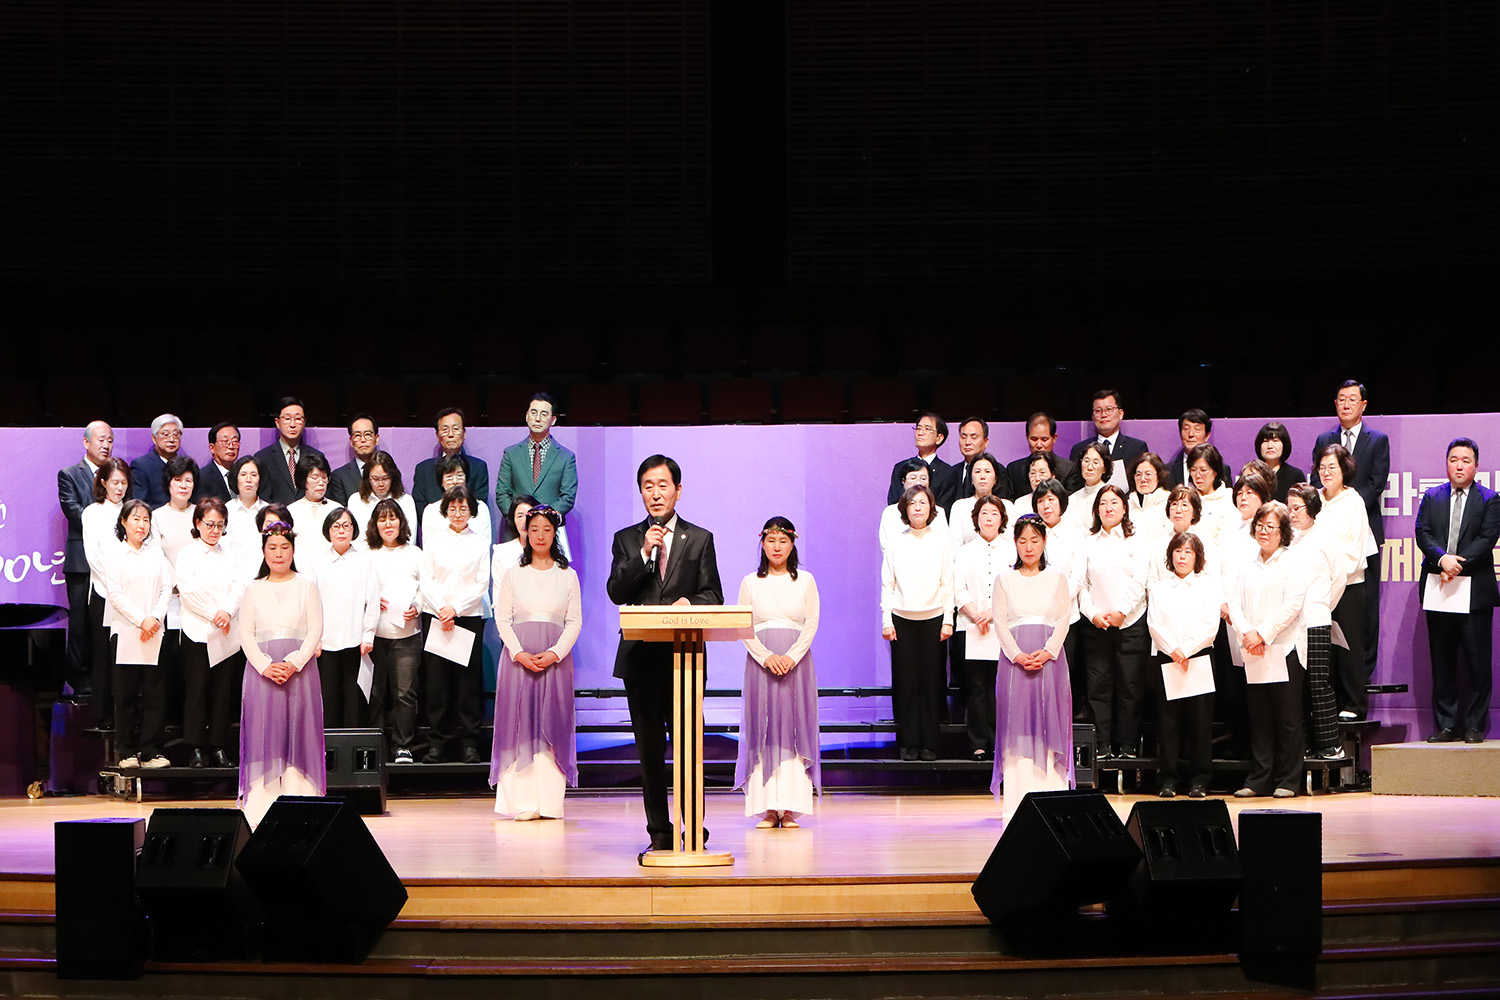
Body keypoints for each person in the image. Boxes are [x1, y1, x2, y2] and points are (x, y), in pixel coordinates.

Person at [606, 455, 724, 857]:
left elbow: (714, 595)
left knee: (689, 749)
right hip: (640, 660)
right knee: (650, 752)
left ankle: (694, 826)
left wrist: (690, 602)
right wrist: (643, 554)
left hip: (684, 659)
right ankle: (659, 831)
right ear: (641, 492)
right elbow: (616, 591)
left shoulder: (700, 538)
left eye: (662, 485)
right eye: (648, 486)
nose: (655, 493)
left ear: (678, 490)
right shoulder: (627, 539)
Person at [490, 505, 582, 820]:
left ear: (555, 533)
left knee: (552, 723)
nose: (540, 535)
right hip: (518, 662)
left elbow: (574, 621)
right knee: (519, 724)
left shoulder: (567, 575)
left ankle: (549, 803)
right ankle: (521, 802)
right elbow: (503, 619)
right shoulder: (513, 574)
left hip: (555, 662)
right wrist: (518, 653)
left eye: (546, 529)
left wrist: (555, 653)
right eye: (534, 529)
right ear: (525, 533)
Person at [237, 520, 325, 827]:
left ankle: (302, 802)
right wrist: (265, 666)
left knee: (299, 730)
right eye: (272, 547)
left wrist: (294, 662)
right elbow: (245, 634)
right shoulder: (253, 589)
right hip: (262, 673)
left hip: (299, 672)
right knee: (264, 731)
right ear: (263, 551)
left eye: (284, 547)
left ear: (293, 550)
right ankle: (262, 806)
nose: (278, 553)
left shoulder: (306, 586)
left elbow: (315, 629)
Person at [735, 517, 821, 829]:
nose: (777, 547)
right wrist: (767, 657)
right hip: (762, 665)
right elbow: (743, 625)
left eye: (783, 541)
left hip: (796, 666)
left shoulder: (806, 581)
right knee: (764, 727)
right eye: (771, 541)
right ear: (762, 543)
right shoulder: (750, 582)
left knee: (795, 728)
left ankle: (791, 808)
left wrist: (791, 657)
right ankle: (768, 808)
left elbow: (811, 623)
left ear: (792, 544)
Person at [1414, 438, 1500, 744]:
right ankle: (1447, 725)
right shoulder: (1432, 496)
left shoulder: (1489, 499)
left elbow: (1487, 538)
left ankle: (1475, 724)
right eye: (1454, 459)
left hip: (1474, 590)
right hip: (1440, 588)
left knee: (1478, 661)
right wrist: (1442, 559)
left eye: (1466, 460)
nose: (1459, 465)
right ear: (1446, 463)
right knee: (1442, 660)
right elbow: (1422, 532)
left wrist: (1455, 565)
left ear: (1476, 466)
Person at [991, 514, 1074, 821]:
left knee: (1049, 719)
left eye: (1035, 540)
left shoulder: (1057, 577)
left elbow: (1063, 618)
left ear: (1044, 541)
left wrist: (1049, 651)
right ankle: (1017, 803)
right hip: (1015, 663)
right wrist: (1016, 654)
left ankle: (1052, 800)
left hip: (1050, 661)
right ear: (1015, 543)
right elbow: (1000, 622)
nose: (1029, 547)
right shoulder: (1004, 578)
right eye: (1023, 541)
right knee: (1017, 724)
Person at [1226, 502, 1307, 798]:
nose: (1264, 531)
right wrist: (1247, 633)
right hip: (1253, 649)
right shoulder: (1246, 563)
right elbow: (1234, 602)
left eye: (1271, 527)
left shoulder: (1293, 562)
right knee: (1259, 717)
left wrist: (1262, 633)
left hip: (1284, 648)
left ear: (1282, 532)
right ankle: (1259, 779)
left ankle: (1288, 780)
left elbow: (1292, 605)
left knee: (1287, 718)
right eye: (1260, 525)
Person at [1313, 381, 1390, 685]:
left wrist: (1349, 505)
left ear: (1363, 405)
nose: (1346, 404)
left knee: (1364, 608)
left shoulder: (1378, 439)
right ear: (1335, 403)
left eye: (1352, 399)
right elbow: (1316, 480)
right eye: (1341, 399)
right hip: (1326, 539)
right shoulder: (1324, 439)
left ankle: (1363, 673)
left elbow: (1375, 483)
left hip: (1363, 534)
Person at [880, 482, 953, 762]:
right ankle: (908, 743)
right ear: (905, 509)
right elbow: (888, 584)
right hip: (902, 620)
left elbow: (947, 583)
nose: (918, 508)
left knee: (932, 684)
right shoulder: (896, 541)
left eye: (923, 502)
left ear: (931, 507)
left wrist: (948, 619)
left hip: (934, 619)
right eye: (912, 503)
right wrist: (887, 620)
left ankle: (930, 744)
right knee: (906, 684)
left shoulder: (941, 540)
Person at [1077, 485, 1150, 759]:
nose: (1108, 508)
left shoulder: (1137, 540)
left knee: (1130, 686)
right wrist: (1093, 614)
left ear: (1124, 507)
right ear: (1096, 510)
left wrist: (1122, 611)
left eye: (1114, 502)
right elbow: (1082, 585)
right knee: (1098, 688)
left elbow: (1139, 581)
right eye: (1103, 503)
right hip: (1096, 626)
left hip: (1131, 624)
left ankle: (1128, 746)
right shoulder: (1087, 542)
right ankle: (1103, 745)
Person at [419, 485, 491, 764]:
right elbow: (427, 579)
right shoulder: (434, 541)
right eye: (452, 508)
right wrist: (442, 609)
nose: (458, 513)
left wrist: (456, 609)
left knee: (467, 683)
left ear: (471, 511)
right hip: (436, 616)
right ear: (445, 510)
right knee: (437, 683)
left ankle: (469, 743)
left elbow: (481, 583)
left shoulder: (479, 543)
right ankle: (437, 743)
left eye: (463, 508)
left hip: (468, 617)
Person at [1146, 532, 1220, 798]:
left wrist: (1187, 649)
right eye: (1178, 551)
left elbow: (1211, 625)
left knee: (1201, 723)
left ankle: (1200, 779)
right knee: (1168, 723)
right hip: (1168, 658)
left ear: (1197, 557)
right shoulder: (1159, 589)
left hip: (1198, 658)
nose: (1182, 557)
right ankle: (1168, 779)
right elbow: (1154, 624)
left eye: (1188, 552)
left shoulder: (1207, 586)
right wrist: (1174, 650)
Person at [175, 498, 245, 769]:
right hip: (197, 631)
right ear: (198, 523)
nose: (215, 530)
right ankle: (194, 748)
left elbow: (239, 586)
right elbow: (188, 591)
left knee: (222, 691)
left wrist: (227, 611)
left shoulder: (231, 553)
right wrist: (214, 614)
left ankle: (218, 747)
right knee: (197, 691)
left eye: (220, 525)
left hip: (226, 631)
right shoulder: (187, 554)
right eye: (210, 524)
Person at [105, 499, 174, 768]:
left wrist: (154, 618)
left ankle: (151, 750)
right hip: (126, 631)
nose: (141, 525)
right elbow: (115, 594)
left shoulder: (156, 554)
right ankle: (126, 751)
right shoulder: (115, 554)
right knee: (126, 694)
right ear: (124, 522)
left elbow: (166, 588)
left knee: (155, 693)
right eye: (135, 519)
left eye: (146, 520)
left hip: (155, 631)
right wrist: (141, 620)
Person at [1317, 443, 1377, 721]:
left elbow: (1355, 549)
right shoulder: (1313, 499)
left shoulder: (1353, 501)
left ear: (1344, 470)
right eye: (1322, 467)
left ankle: (1354, 704)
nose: (1326, 472)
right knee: (1323, 648)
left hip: (1348, 584)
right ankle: (1328, 704)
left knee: (1348, 646)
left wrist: (1335, 575)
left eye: (1332, 467)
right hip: (1318, 587)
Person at [1286, 483, 1346, 759]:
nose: (1292, 513)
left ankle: (1330, 744)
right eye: (1289, 508)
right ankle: (1305, 744)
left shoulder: (1326, 537)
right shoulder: (1287, 539)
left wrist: (1322, 607)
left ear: (1311, 507)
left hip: (1317, 620)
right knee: (1296, 686)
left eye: (1297, 508)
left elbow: (1339, 579)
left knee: (1319, 683)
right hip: (1291, 623)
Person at [954, 495, 1013, 762]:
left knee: (1000, 687)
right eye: (984, 514)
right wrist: (976, 614)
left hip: (1002, 627)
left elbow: (1013, 586)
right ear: (976, 519)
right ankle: (978, 743)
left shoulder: (1011, 550)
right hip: (971, 627)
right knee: (976, 687)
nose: (988, 518)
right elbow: (958, 588)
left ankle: (1001, 742)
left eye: (994, 513)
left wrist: (993, 613)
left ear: (1002, 519)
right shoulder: (965, 552)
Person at [365, 498, 424, 764]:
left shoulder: (415, 554)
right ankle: (373, 745)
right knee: (375, 693)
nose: (388, 524)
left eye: (392, 518)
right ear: (375, 525)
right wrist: (371, 600)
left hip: (406, 636)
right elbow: (358, 589)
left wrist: (417, 606)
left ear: (401, 522)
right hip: (374, 636)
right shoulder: (367, 554)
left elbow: (425, 588)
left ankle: (403, 746)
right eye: (382, 519)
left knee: (404, 693)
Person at [309, 508, 379, 730]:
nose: (341, 531)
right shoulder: (318, 561)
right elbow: (311, 603)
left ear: (353, 530)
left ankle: (354, 747)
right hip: (325, 642)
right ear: (328, 531)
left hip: (356, 641)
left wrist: (368, 635)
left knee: (354, 699)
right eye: (336, 526)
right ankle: (327, 748)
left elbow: (372, 600)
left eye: (346, 526)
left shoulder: (364, 561)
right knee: (327, 697)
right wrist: (314, 639)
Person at [58, 420, 113, 701]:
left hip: (112, 561)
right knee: (80, 623)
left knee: (106, 622)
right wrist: (108, 524)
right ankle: (79, 678)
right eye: (101, 439)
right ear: (86, 442)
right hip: (81, 562)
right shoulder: (69, 474)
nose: (106, 445)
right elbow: (74, 511)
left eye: (110, 440)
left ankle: (105, 679)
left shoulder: (116, 475)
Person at [82, 459, 131, 729]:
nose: (119, 488)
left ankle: (126, 712)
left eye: (123, 482)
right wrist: (114, 585)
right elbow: (94, 556)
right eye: (114, 482)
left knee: (126, 655)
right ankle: (102, 714)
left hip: (130, 594)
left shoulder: (133, 511)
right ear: (103, 483)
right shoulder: (92, 513)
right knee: (103, 654)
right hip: (103, 592)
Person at [495, 393, 579, 540]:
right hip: (515, 532)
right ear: (527, 416)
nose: (538, 418)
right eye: (533, 413)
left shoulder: (566, 457)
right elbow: (502, 493)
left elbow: (567, 497)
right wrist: (519, 519)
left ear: (553, 420)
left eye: (544, 414)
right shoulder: (511, 454)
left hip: (549, 531)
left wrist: (542, 521)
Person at [412, 407, 491, 533]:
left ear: (464, 433)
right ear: (437, 436)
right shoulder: (423, 470)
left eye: (455, 429)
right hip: (435, 535)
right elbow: (420, 507)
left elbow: (479, 508)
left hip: (469, 534)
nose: (450, 434)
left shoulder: (478, 467)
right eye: (445, 429)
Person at [252, 397, 328, 506]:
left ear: (304, 422)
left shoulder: (316, 456)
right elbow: (262, 496)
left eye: (298, 419)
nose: (292, 424)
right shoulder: (262, 457)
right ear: (277, 422)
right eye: (287, 418)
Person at [1069, 390, 1147, 490]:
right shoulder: (1079, 449)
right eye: (1098, 411)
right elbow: (1074, 486)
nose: (1104, 415)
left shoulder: (1136, 448)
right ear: (1093, 417)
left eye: (1109, 409)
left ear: (1120, 414)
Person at [347, 450, 419, 543]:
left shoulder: (405, 501)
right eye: (375, 479)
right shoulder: (356, 501)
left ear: (393, 477)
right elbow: (354, 538)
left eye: (385, 478)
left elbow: (410, 537)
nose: (380, 484)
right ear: (367, 478)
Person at [420, 454, 494, 544]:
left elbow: (485, 543)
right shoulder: (431, 510)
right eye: (449, 476)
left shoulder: (480, 508)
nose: (455, 481)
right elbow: (428, 545)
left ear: (466, 479)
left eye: (459, 475)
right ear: (442, 481)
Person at [886, 412, 954, 507]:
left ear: (939, 438)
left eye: (927, 429)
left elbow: (944, 506)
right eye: (918, 428)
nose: (920, 433)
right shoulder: (900, 467)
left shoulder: (948, 472)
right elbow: (893, 502)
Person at [879, 460, 949, 551]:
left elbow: (944, 545)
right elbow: (887, 548)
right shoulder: (890, 512)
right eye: (913, 478)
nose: (918, 483)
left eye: (923, 478)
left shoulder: (939, 512)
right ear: (903, 481)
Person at [1006, 413, 1081, 497]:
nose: (1039, 445)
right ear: (1027, 437)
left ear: (1054, 438)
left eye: (1044, 439)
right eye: (1034, 439)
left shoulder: (1069, 469)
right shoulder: (1014, 470)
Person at [949, 453, 1009, 550]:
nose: (982, 476)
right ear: (971, 479)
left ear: (996, 478)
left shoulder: (1007, 506)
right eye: (977, 471)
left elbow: (1011, 541)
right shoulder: (959, 506)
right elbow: (955, 545)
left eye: (987, 471)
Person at [288, 453, 338, 561]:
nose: (321, 483)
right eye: (315, 478)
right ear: (303, 480)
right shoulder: (291, 511)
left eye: (324, 477)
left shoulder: (337, 509)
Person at [129, 414, 184, 507]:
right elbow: (139, 504)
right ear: (154, 438)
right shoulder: (141, 465)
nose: (171, 439)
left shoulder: (186, 465)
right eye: (165, 435)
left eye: (175, 434)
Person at [1187, 444, 1235, 549]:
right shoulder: (1186, 497)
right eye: (1193, 470)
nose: (1198, 475)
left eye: (1203, 470)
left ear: (1215, 471)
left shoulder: (1228, 499)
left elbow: (1225, 540)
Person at [225, 456, 268, 573]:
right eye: (243, 474)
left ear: (260, 479)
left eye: (253, 475)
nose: (248, 479)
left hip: (263, 574)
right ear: (236, 478)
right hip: (233, 574)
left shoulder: (268, 511)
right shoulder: (226, 510)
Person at [329, 413, 383, 506]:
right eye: (357, 435)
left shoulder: (389, 471)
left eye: (367, 434)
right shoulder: (340, 476)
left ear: (376, 439)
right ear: (351, 441)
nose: (363, 440)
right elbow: (340, 510)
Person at [1166, 410, 1222, 490]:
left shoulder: (1222, 469)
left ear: (1207, 435)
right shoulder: (1168, 470)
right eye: (1186, 429)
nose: (1191, 434)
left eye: (1197, 429)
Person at [947, 418, 997, 508]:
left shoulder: (997, 470)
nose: (967, 442)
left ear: (986, 442)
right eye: (963, 437)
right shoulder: (951, 472)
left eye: (974, 437)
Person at [491, 495, 538, 588]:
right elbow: (499, 591)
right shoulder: (502, 552)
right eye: (520, 516)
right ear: (514, 520)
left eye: (529, 515)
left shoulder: (549, 551)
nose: (525, 521)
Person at [1128, 452, 1172, 547]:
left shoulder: (1169, 502)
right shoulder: (1128, 504)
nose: (1143, 479)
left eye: (1148, 474)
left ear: (1159, 476)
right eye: (1138, 474)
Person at [1254, 422, 1305, 503]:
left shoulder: (1295, 475)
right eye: (1266, 441)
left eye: (1275, 441)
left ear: (1284, 445)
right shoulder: (1252, 473)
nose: (1270, 446)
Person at [1066, 441, 1111, 531]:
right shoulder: (1072, 499)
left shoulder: (1110, 495)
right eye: (1086, 461)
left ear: (1105, 468)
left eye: (1095, 462)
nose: (1090, 467)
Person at [198, 423, 241, 502]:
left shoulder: (243, 474)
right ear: (212, 448)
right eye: (225, 441)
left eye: (235, 441)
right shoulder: (202, 477)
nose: (231, 446)